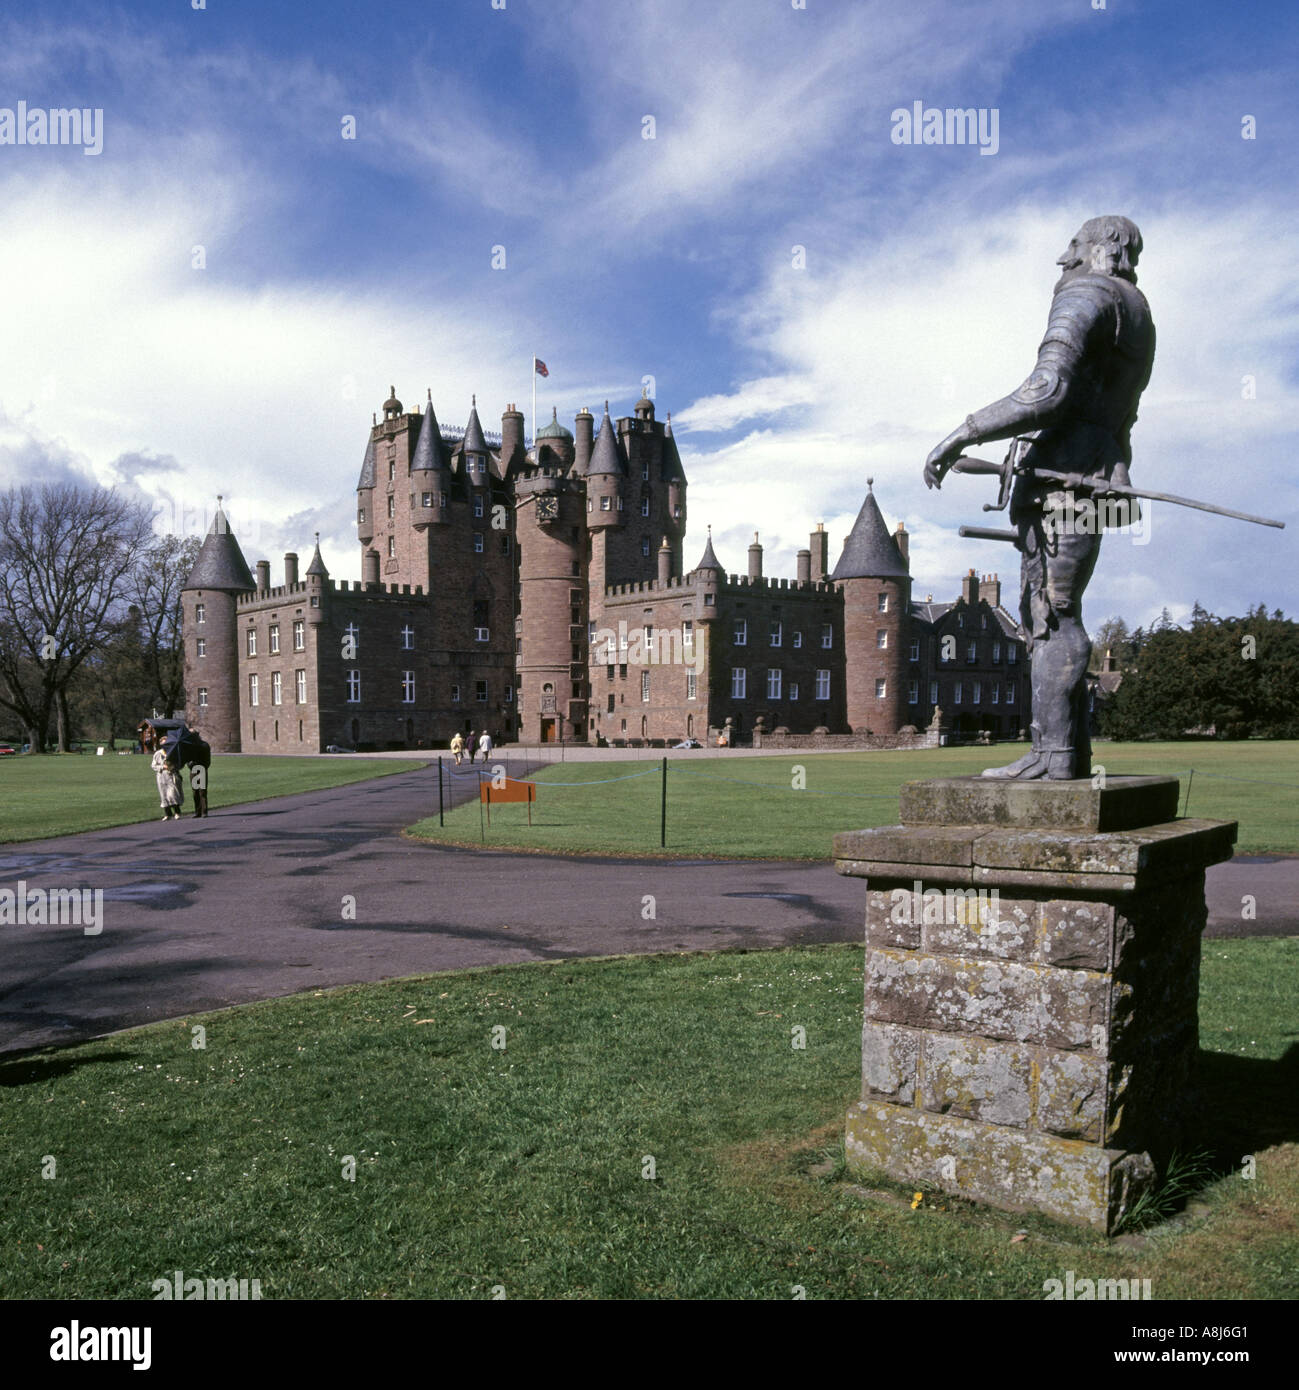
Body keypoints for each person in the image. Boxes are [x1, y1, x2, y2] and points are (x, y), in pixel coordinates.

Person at [923, 215, 1155, 780]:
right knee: (1056, 613)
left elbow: (1045, 390)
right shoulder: (1140, 314)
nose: (1063, 258)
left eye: (1073, 245)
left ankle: (1051, 757)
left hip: (1065, 486)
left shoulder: (1088, 294)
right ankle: (1068, 754)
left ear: (1100, 248)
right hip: (1094, 479)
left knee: (1051, 618)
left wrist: (964, 431)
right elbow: (1118, 416)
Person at [152, 747, 184, 821]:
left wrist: (173, 767)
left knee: (173, 794)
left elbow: (180, 764)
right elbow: (153, 765)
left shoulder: (173, 753)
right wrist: (163, 767)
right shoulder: (157, 754)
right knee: (163, 795)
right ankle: (167, 814)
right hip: (161, 775)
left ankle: (177, 812)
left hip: (171, 775)